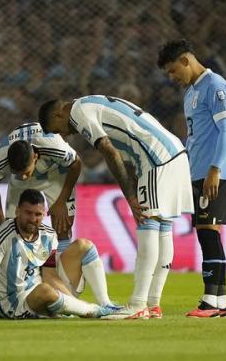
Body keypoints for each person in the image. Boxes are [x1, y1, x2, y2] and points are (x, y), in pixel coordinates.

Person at [39, 95, 193, 319]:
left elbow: (109, 151)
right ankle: (153, 304)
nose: (65, 134)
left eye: (58, 129)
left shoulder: (77, 112)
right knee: (163, 228)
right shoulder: (92, 101)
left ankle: (138, 305)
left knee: (147, 222)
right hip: (174, 151)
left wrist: (130, 197)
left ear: (58, 114)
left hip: (155, 158)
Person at [158, 39, 226, 318]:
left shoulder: (215, 86)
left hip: (215, 171)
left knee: (208, 231)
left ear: (186, 61)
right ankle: (219, 300)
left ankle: (212, 301)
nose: (172, 77)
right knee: (207, 232)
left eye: (172, 70)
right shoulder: (192, 91)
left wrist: (215, 169)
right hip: (199, 171)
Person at [0, 189, 119, 320]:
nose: (33, 219)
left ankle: (104, 304)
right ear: (17, 211)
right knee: (44, 290)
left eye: (38, 214)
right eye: (28, 213)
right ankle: (94, 311)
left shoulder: (49, 235)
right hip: (15, 303)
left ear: (44, 213)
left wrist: (69, 300)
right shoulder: (4, 234)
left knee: (84, 245)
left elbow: (50, 275)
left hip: (45, 289)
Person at [0, 122, 82, 252]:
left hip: (55, 173)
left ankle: (61, 268)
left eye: (25, 172)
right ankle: (23, 268)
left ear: (35, 157)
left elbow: (77, 163)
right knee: (13, 230)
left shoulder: (55, 147)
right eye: (17, 172)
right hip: (19, 183)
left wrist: (61, 202)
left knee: (63, 226)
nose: (25, 177)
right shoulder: (0, 158)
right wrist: (2, 222)